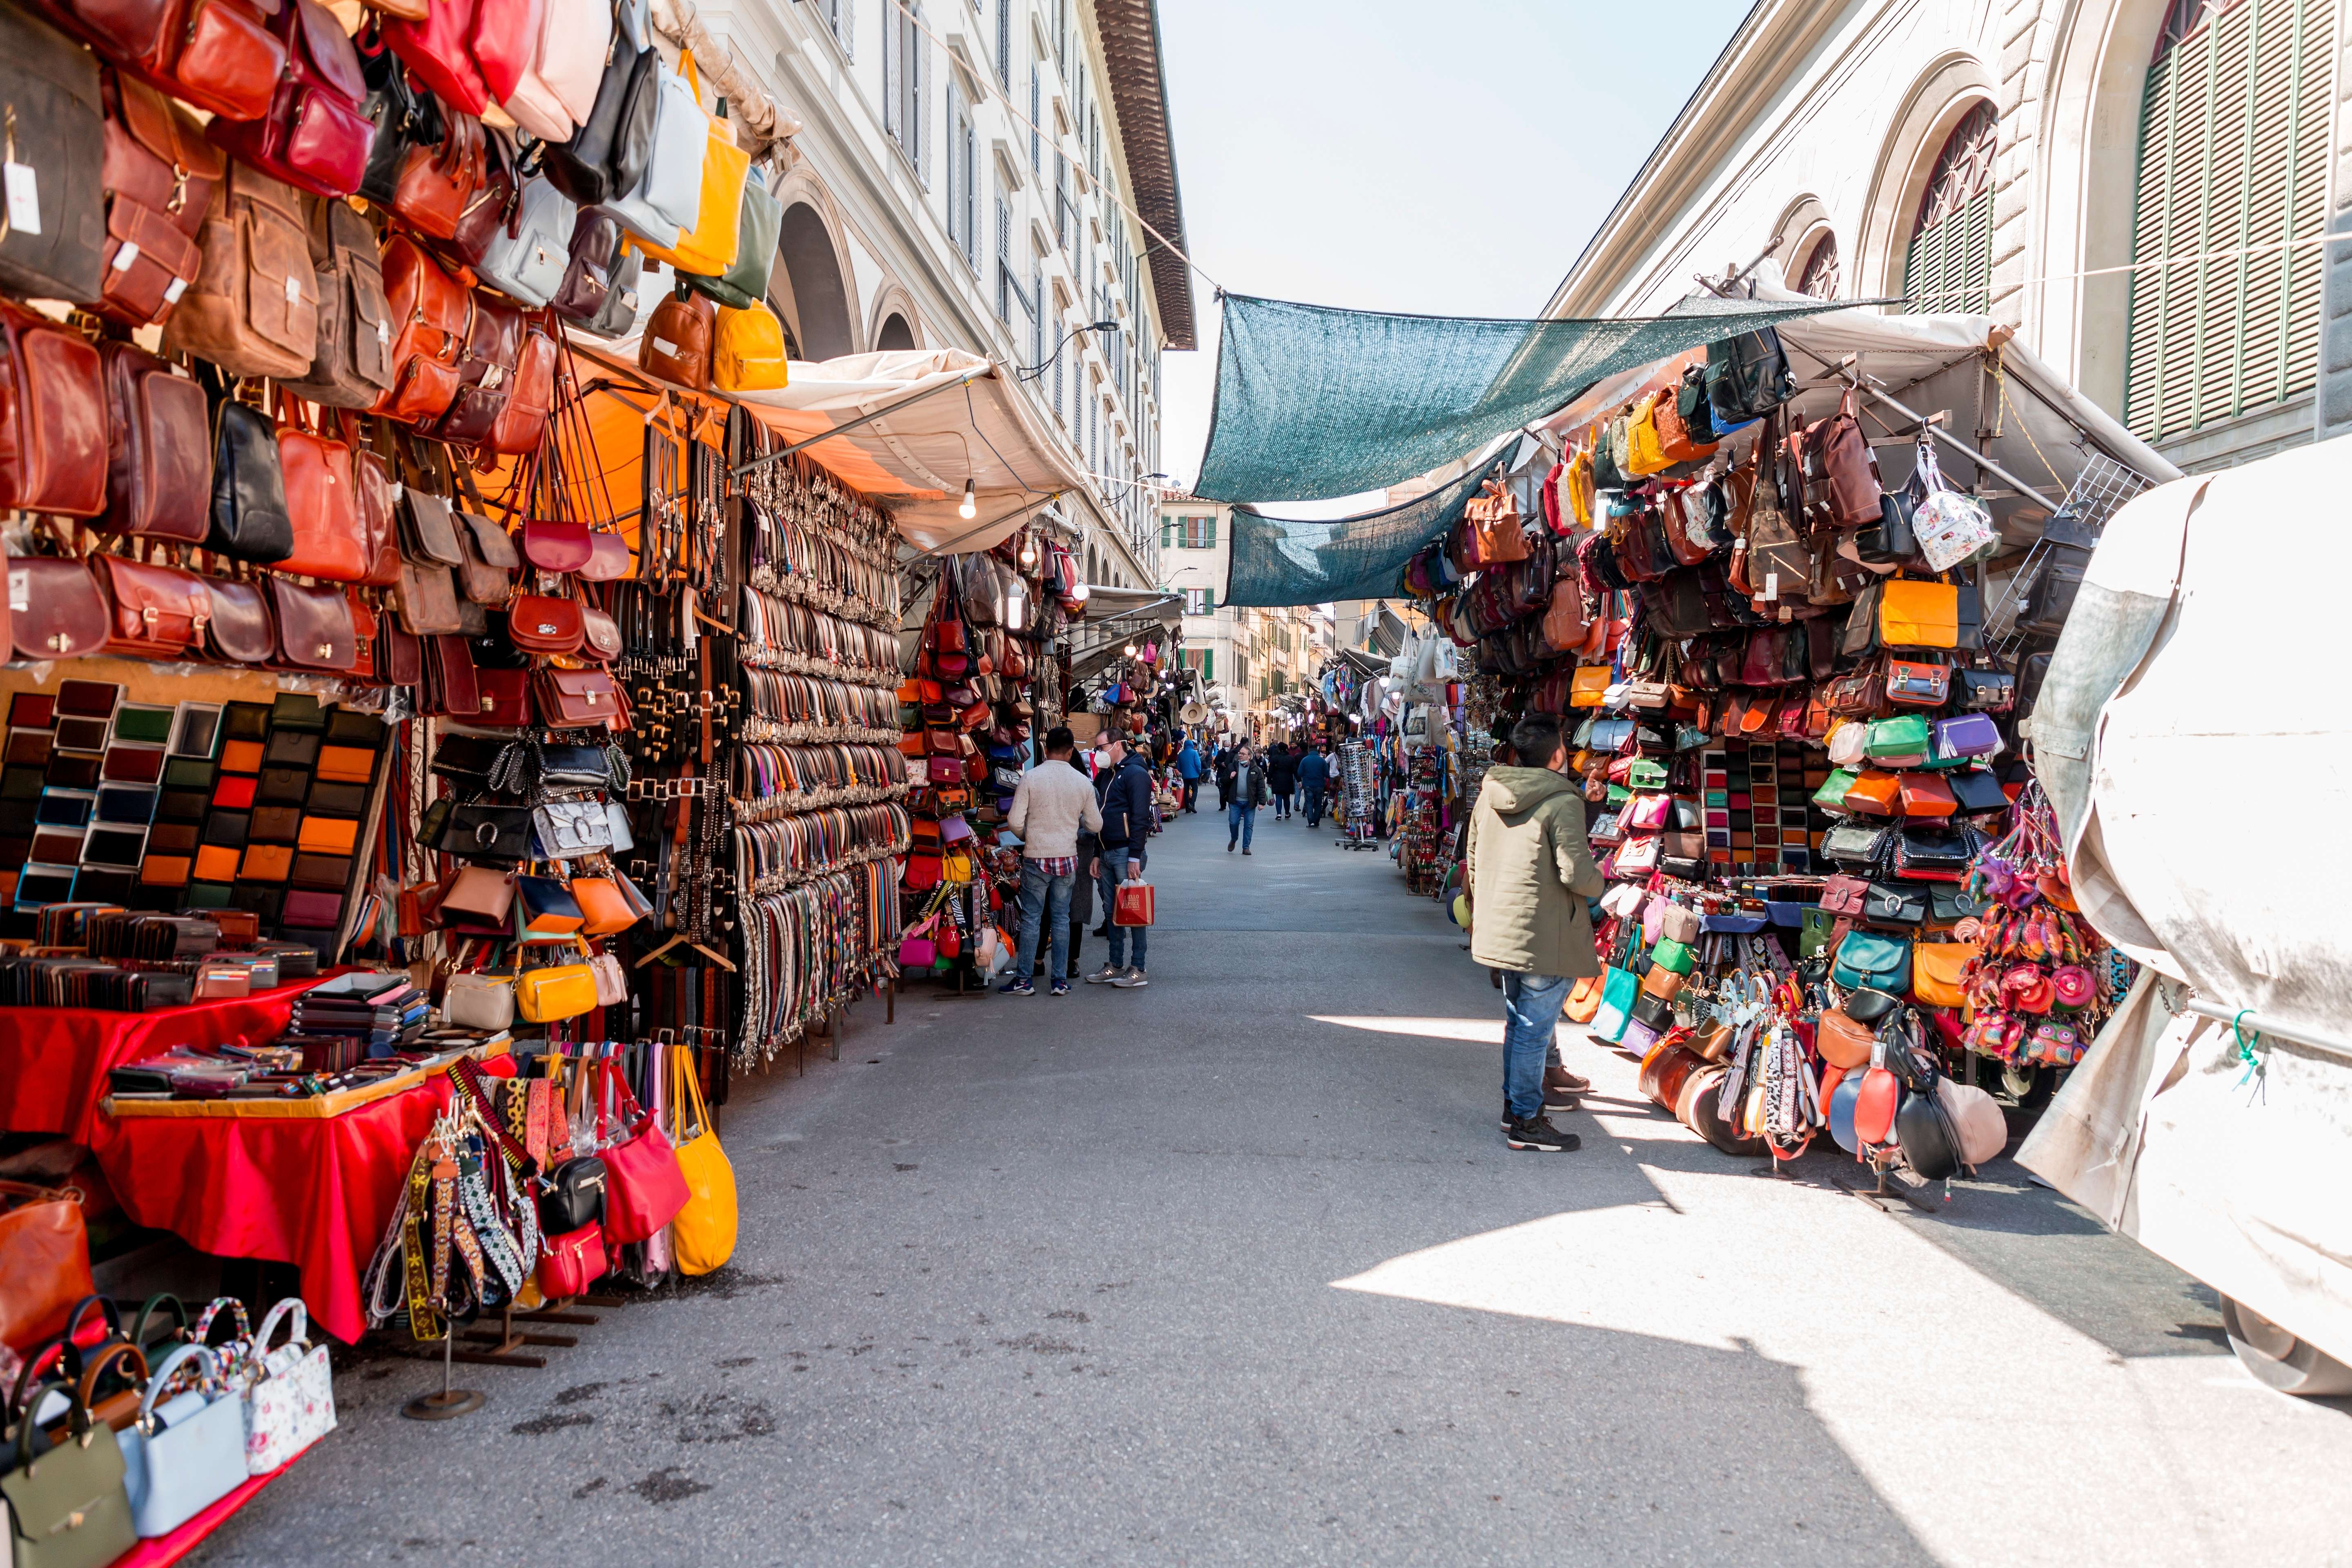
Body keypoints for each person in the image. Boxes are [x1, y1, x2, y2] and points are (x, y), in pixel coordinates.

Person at [1465, 713, 1604, 1152]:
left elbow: (1472, 857)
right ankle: (1526, 1120)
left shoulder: (1492, 794)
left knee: (1518, 1023)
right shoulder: (1563, 801)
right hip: (1546, 934)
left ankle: (1516, 1109)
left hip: (1503, 928)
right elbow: (1576, 873)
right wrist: (1603, 883)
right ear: (1559, 754)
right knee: (1532, 1030)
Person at [998, 728, 1102, 998]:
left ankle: (1024, 980)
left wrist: (1029, 834)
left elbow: (1014, 822)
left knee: (1032, 919)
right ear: (1070, 752)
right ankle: (1059, 981)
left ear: (1045, 750)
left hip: (1036, 857)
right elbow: (1096, 824)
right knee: (1062, 919)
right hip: (1067, 858)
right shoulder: (1082, 783)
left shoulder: (1031, 778)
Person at [1085, 735, 1154, 987]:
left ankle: (1138, 967)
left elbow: (1140, 818)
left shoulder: (1135, 773)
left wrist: (1135, 855)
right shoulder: (1104, 775)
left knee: (1133, 911)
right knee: (1111, 911)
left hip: (1126, 852)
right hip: (1106, 851)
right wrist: (1096, 852)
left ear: (1117, 745)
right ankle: (1115, 964)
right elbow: (1096, 816)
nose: (1097, 752)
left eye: (1101, 747)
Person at [1225, 742, 1271, 854]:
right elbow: (1223, 781)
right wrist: (1230, 777)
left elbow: (1261, 787)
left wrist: (1262, 803)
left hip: (1250, 802)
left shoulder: (1257, 770)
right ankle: (1234, 839)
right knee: (1233, 823)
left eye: (1243, 754)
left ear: (1250, 756)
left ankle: (1246, 847)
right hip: (1235, 801)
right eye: (1240, 753)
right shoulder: (1233, 767)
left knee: (1249, 825)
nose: (1240, 755)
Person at [1298, 742, 1332, 829]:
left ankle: (1311, 822)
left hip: (1308, 785)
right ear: (1317, 751)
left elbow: (1300, 773)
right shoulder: (1322, 761)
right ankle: (1317, 821)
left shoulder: (1305, 760)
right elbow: (1327, 774)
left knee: (1309, 803)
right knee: (1318, 803)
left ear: (1309, 750)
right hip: (1319, 785)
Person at [1267, 742, 1299, 821]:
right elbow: (1295, 770)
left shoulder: (1275, 758)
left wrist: (1269, 782)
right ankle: (1287, 814)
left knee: (1279, 797)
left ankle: (1279, 814)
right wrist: (1299, 781)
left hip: (1277, 780)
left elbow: (1270, 771)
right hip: (1288, 780)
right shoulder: (1291, 758)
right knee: (1287, 798)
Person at [1176, 737, 1202, 813]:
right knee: (1195, 790)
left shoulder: (1180, 755)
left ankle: (1188, 808)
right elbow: (1198, 764)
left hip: (1185, 776)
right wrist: (1199, 772)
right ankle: (1192, 804)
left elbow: (1178, 767)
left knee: (1186, 791)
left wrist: (1183, 772)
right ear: (1192, 745)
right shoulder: (1195, 753)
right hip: (1194, 776)